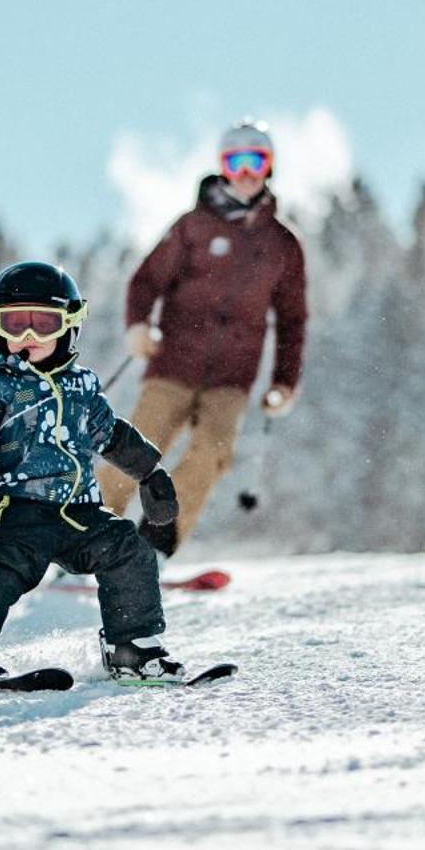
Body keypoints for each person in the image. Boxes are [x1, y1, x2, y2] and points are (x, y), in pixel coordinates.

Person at [0, 261, 187, 682]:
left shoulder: (81, 387)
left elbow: (110, 434)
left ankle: (132, 648)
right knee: (9, 565)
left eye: (44, 323)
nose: (29, 337)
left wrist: (150, 473)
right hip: (17, 508)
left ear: (69, 325)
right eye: (16, 323)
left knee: (128, 549)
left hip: (78, 510)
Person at [96, 118, 308, 556]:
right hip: (173, 362)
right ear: (222, 167)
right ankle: (91, 536)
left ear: (269, 168)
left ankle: (153, 545)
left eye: (256, 161)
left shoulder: (282, 245)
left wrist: (284, 382)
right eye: (236, 161)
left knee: (214, 453)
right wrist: (138, 326)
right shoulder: (193, 226)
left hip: (233, 377)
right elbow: (145, 281)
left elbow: (293, 320)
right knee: (136, 449)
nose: (246, 172)